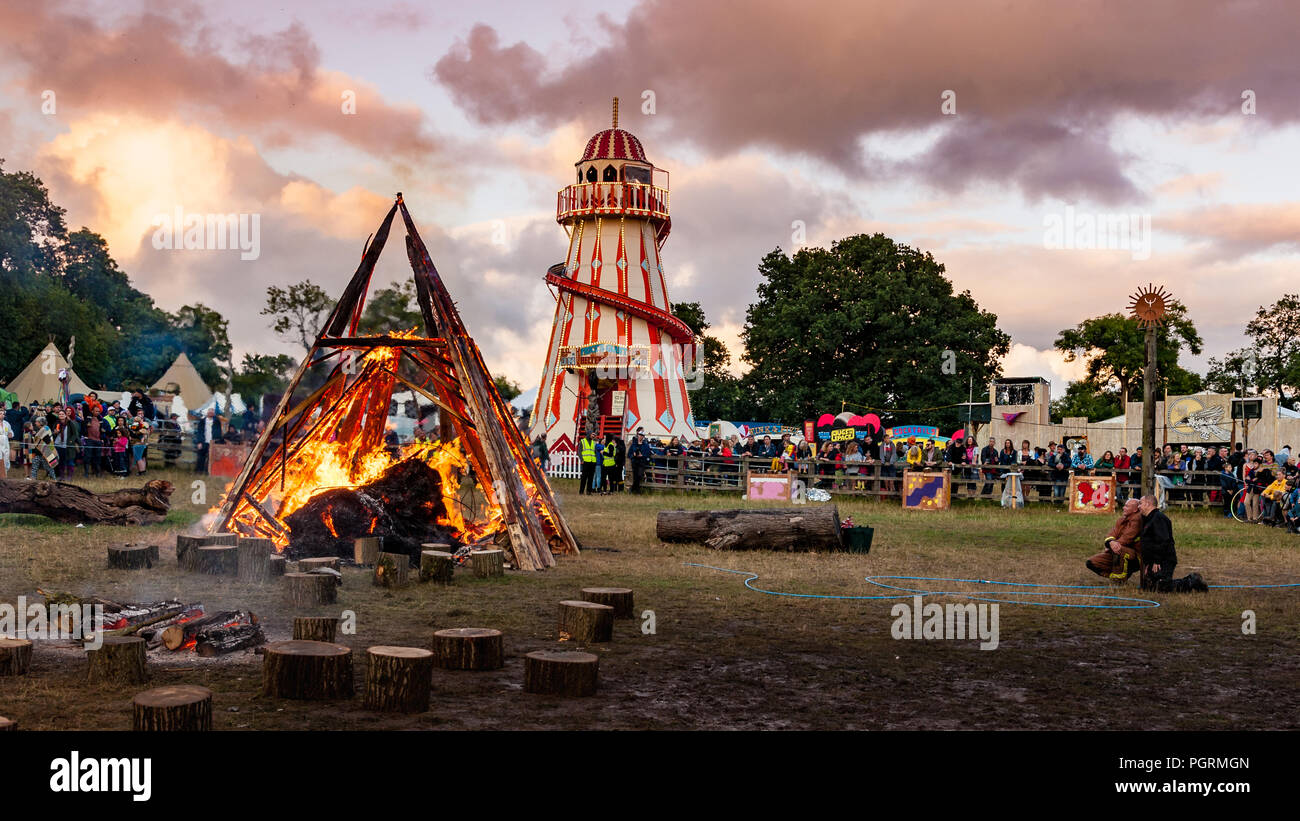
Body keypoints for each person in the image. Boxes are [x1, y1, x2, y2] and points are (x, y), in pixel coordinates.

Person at [1136, 494, 1208, 592]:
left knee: (1161, 587)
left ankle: (1192, 581)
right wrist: (1148, 562)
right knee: (1149, 586)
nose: (1138, 506)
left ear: (1148, 504)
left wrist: (1157, 560)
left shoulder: (1158, 518)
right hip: (1153, 560)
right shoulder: (1148, 519)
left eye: (1140, 503)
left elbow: (1163, 541)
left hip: (1164, 559)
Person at [1085, 498, 1143, 581]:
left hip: (1136, 557)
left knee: (1119, 549)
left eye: (1126, 506)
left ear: (1135, 509)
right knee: (1092, 563)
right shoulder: (1121, 520)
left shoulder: (1138, 520)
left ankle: (1119, 578)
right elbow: (1112, 534)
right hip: (1116, 552)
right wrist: (1111, 542)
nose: (1123, 508)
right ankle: (1116, 576)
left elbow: (1127, 538)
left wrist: (1112, 546)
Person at [193, 408, 224, 474]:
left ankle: (208, 472)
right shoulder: (202, 421)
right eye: (209, 411)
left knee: (211, 458)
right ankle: (199, 472)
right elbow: (200, 432)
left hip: (212, 442)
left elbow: (219, 432)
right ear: (207, 413)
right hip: (204, 442)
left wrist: (217, 441)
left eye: (212, 412)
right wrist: (199, 442)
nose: (211, 413)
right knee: (201, 457)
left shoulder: (217, 421)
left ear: (214, 413)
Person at [28, 414, 58, 480]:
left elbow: (37, 439)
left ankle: (54, 479)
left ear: (40, 423)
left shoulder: (44, 429)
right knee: (35, 466)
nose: (35, 423)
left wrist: (33, 435)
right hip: (41, 451)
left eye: (36, 422)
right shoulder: (47, 428)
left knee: (47, 467)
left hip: (45, 451)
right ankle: (33, 479)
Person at [628, 428, 652, 494]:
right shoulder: (633, 444)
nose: (640, 436)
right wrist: (633, 454)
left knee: (640, 475)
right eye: (639, 435)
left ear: (643, 437)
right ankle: (637, 491)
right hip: (635, 462)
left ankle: (632, 489)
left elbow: (648, 454)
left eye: (642, 435)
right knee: (635, 476)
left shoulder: (646, 445)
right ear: (638, 435)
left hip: (641, 462)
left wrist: (642, 455)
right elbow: (629, 454)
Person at [578, 429, 598, 495]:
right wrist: (582, 460)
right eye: (593, 434)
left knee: (591, 478)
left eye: (594, 435)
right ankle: (581, 491)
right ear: (589, 434)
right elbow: (579, 451)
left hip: (592, 462)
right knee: (584, 478)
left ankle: (589, 491)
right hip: (585, 462)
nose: (593, 436)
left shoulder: (594, 442)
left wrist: (595, 461)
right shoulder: (582, 441)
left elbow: (594, 452)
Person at [0, 410, 12, 478]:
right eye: (0, 413)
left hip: (5, 442)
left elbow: (11, 431)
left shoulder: (6, 423)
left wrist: (11, 434)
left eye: (3, 414)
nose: (2, 415)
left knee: (6, 457)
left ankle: (5, 475)